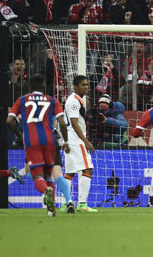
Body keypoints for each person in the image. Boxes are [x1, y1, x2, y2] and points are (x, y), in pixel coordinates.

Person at [7, 74, 70, 217]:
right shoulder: (52, 100)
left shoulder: (22, 100)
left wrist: (19, 134)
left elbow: (9, 121)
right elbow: (61, 122)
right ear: (43, 87)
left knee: (37, 176)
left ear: (29, 87)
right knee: (49, 174)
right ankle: (50, 210)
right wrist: (65, 141)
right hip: (50, 141)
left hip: (32, 141)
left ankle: (45, 191)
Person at [63, 75, 97, 213]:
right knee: (88, 168)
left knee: (70, 172)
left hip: (70, 139)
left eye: (87, 85)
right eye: (83, 85)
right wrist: (86, 141)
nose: (86, 87)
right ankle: (82, 204)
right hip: (76, 140)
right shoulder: (74, 102)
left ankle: (65, 203)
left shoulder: (75, 100)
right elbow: (74, 122)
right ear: (75, 87)